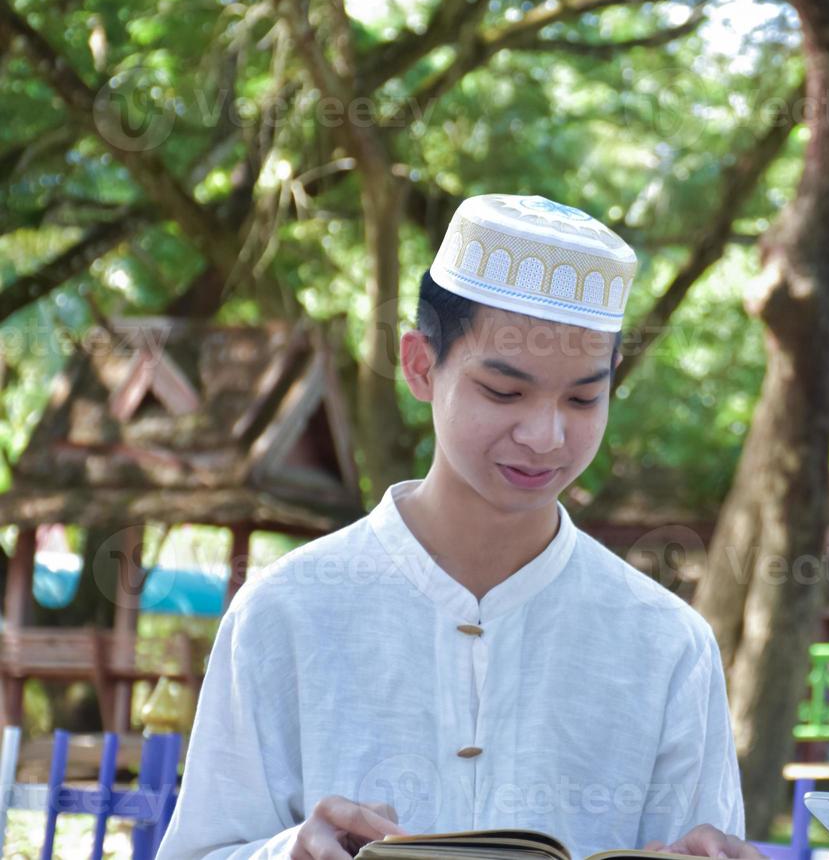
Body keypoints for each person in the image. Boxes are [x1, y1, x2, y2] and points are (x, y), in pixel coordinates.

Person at [158, 195, 757, 860]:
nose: (544, 436)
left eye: (584, 398)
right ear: (419, 365)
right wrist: (288, 853)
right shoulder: (286, 611)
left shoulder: (667, 644)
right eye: (504, 392)